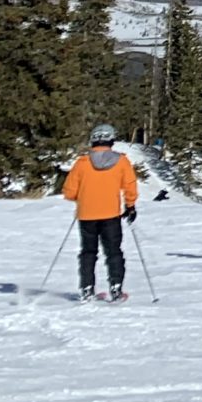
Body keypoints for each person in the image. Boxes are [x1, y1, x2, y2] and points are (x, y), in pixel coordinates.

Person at [62, 124, 140, 301]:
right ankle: (116, 288)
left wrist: (83, 197)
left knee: (88, 252)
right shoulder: (121, 161)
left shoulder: (82, 163)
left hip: (86, 215)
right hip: (111, 214)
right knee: (114, 252)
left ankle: (87, 289)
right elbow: (130, 185)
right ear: (111, 140)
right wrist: (130, 205)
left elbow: (68, 191)